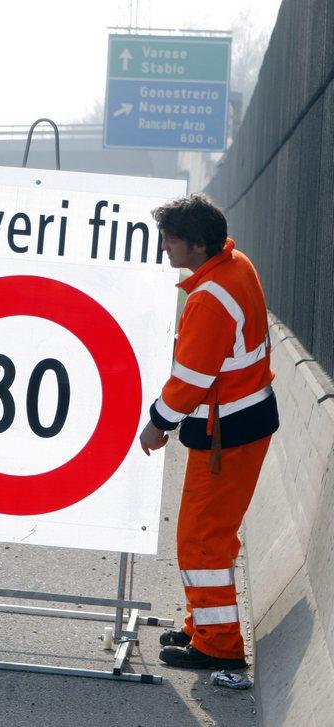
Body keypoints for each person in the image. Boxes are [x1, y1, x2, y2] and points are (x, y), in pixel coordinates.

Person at [138, 193, 279, 670]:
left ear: (197, 245)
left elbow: (191, 381)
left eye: (171, 240)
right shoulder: (236, 264)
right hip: (244, 421)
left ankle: (217, 644)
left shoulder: (209, 299)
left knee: (201, 539)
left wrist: (156, 424)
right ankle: (202, 624)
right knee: (209, 535)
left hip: (228, 432)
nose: (165, 249)